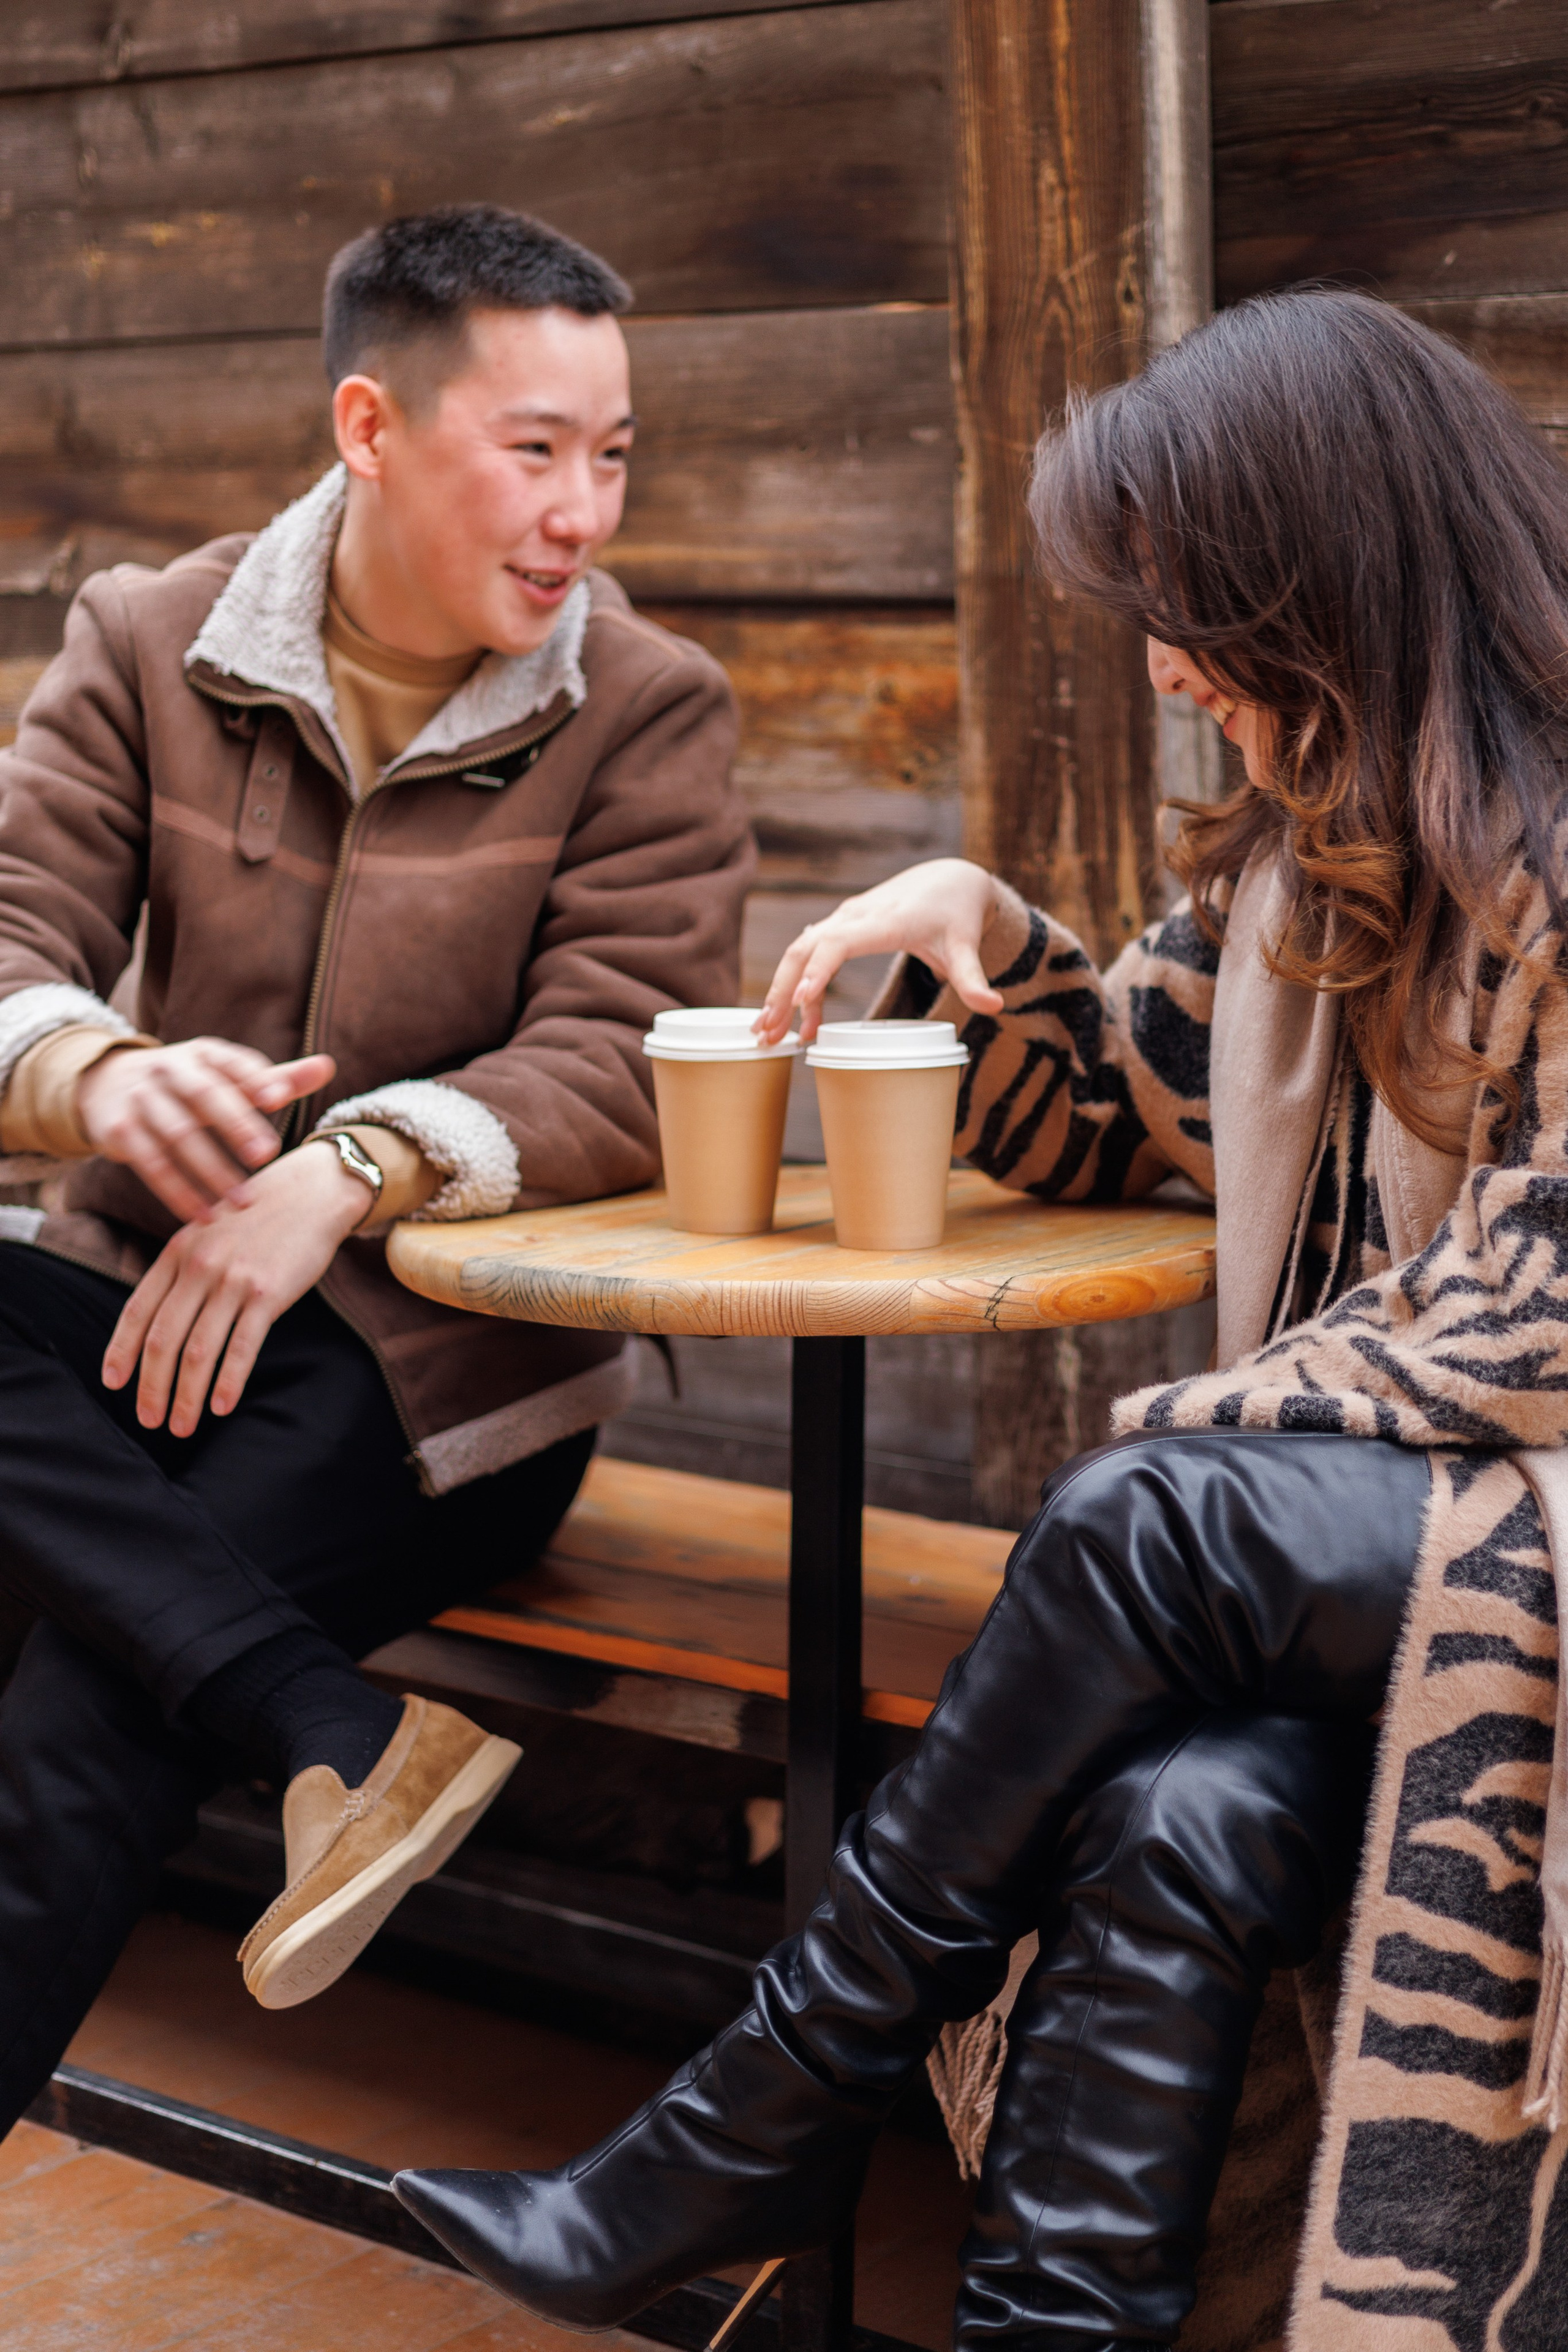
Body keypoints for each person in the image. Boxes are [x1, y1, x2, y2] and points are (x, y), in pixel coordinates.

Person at [392, 289, 1568, 2348]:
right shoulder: (1320, 863)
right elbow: (1140, 1109)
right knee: (1171, 1810)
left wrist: (1242, 1416)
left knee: (1156, 1505)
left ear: (1325, 579)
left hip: (1529, 1531)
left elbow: (1545, 1301)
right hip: (1403, 1552)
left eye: (1189, 601)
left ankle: (752, 2115)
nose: (1163, 656)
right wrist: (978, 936)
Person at [0, 203, 752, 2122]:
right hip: (131, 1320)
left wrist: (349, 1169)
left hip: (441, 1387)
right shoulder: (148, 640)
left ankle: (305, 1711)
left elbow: (633, 1056)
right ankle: (326, 1723)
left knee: (82, 1707)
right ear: (370, 427)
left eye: (613, 453)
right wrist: (91, 1076)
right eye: (536, 450)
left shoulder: (645, 707)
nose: (584, 509)